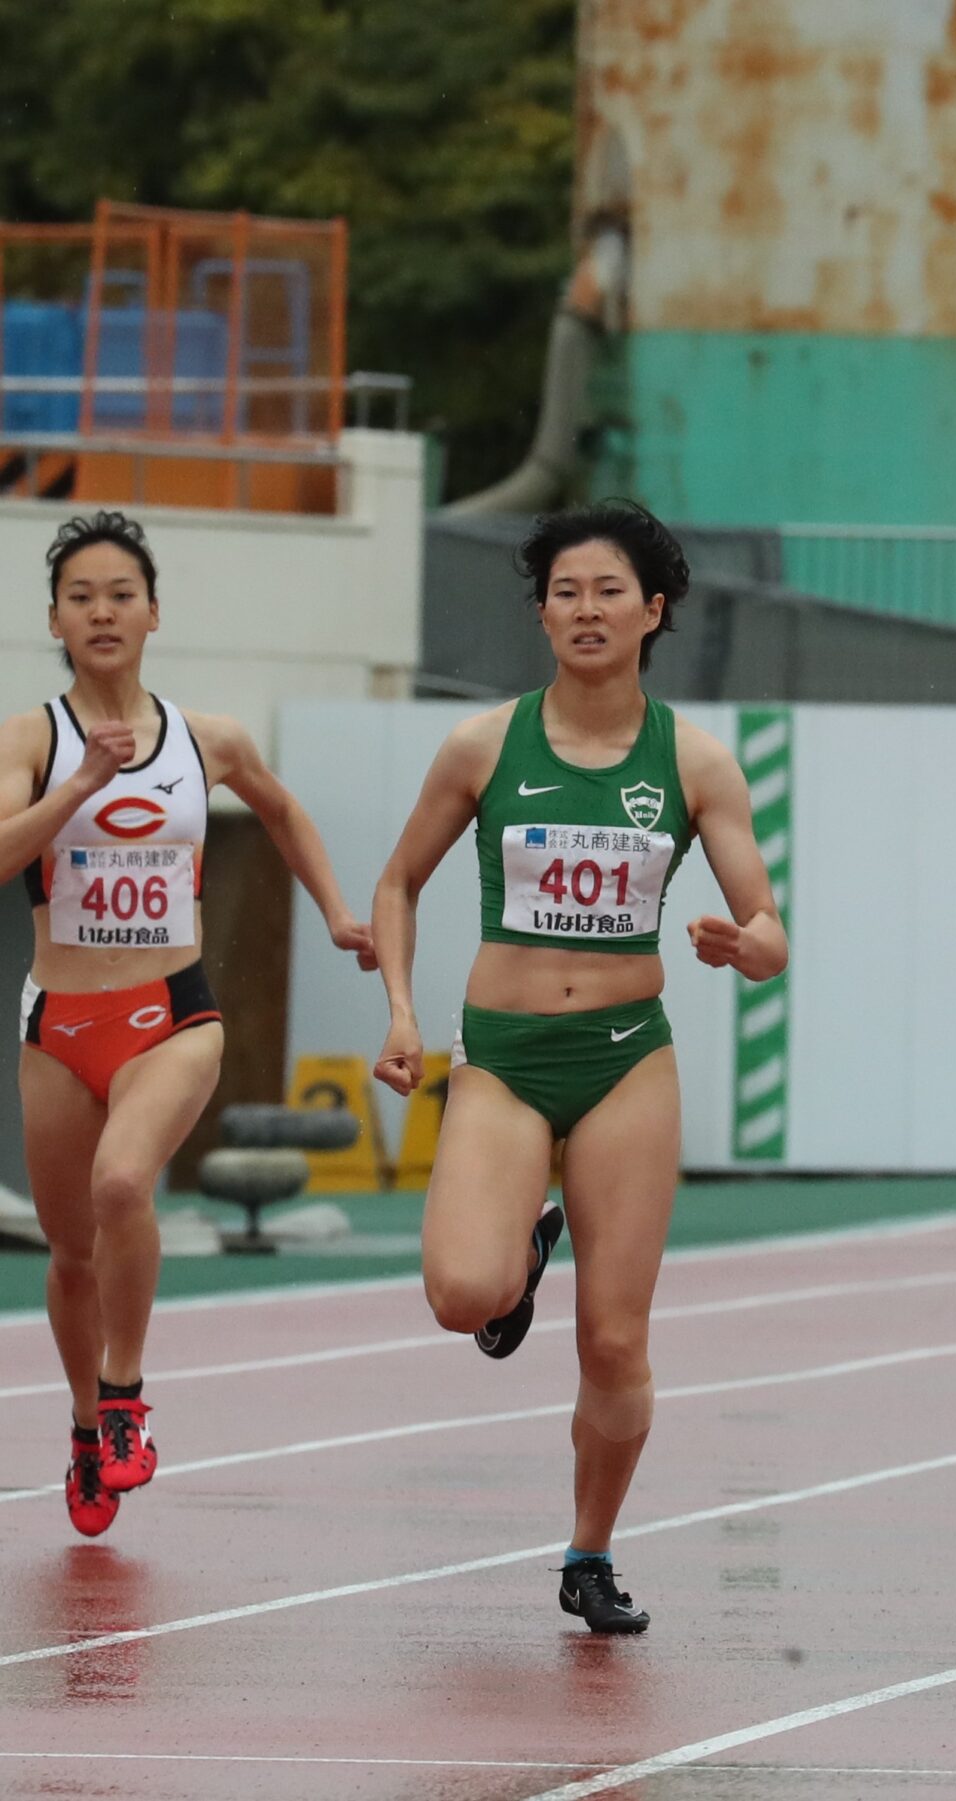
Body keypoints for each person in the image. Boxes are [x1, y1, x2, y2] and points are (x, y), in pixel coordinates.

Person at [371, 501, 786, 1633]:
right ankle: (523, 1246)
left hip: (624, 1063)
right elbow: (398, 883)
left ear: (653, 611)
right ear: (542, 613)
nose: (586, 610)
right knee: (465, 1293)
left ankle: (589, 1552)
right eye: (565, 592)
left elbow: (768, 929)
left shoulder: (694, 763)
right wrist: (403, 1010)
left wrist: (749, 943)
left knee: (614, 1338)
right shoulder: (484, 745)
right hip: (503, 1057)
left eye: (609, 591)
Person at [0, 511, 375, 1537]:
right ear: (56, 620)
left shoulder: (207, 739)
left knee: (127, 1180)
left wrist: (338, 910)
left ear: (154, 612)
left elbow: (285, 810)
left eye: (122, 593)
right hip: (59, 1023)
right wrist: (78, 784)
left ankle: (124, 1396)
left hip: (172, 1012)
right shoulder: (32, 738)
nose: (103, 611)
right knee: (71, 1253)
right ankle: (86, 1426)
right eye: (82, 597)